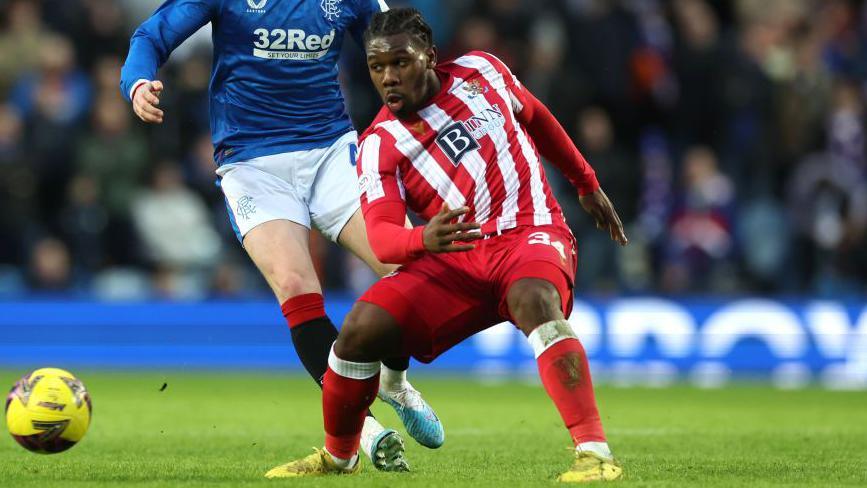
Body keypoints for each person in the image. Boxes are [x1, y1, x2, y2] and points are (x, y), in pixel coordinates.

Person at [264, 8, 628, 482]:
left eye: (401, 63)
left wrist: (586, 182)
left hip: (530, 233)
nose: (389, 78)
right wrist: (423, 238)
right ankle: (340, 457)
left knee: (534, 299)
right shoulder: (379, 144)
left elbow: (536, 116)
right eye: (377, 68)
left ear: (430, 57)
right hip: (455, 259)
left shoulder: (484, 71)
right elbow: (382, 236)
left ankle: (594, 453)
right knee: (358, 331)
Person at [118, 0, 445, 471]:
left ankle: (394, 381)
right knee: (296, 285)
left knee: (406, 267)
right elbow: (152, 34)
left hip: (331, 151)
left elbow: (399, 44)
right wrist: (138, 83)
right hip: (252, 163)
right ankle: (363, 429)